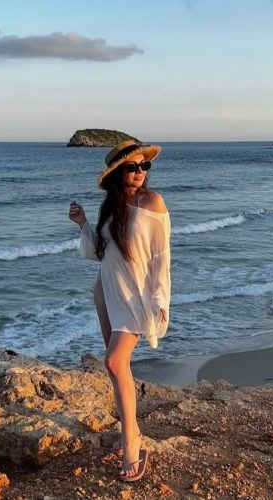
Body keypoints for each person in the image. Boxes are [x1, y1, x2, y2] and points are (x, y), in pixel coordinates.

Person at [69, 140, 171, 482]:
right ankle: (130, 430)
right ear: (117, 173)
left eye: (144, 166)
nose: (140, 172)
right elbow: (101, 252)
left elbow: (161, 257)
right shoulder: (110, 206)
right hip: (106, 290)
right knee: (117, 368)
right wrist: (82, 223)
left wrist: (160, 300)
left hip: (136, 294)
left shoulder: (153, 202)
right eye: (132, 167)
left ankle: (132, 443)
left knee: (114, 362)